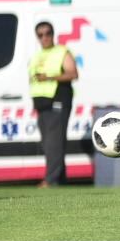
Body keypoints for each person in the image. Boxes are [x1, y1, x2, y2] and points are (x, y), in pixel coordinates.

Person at [29, 20, 78, 188]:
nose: (45, 37)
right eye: (41, 34)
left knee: (54, 143)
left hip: (58, 101)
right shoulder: (36, 56)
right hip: (42, 104)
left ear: (53, 34)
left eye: (48, 33)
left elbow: (73, 73)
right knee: (48, 143)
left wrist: (49, 77)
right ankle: (59, 179)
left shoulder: (61, 52)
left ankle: (50, 180)